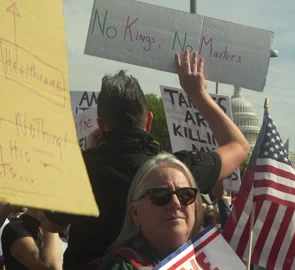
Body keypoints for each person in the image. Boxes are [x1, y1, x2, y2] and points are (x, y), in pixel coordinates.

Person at [40, 51, 249, 268]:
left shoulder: (77, 169)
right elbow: (239, 146)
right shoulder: (177, 174)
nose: (174, 201)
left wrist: (88, 158)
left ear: (101, 126)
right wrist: (197, 93)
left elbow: (50, 223)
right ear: (149, 121)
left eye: (183, 196)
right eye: (160, 197)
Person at [98, 152, 203, 268]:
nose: (176, 203)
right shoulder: (121, 265)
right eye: (161, 196)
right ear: (135, 213)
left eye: (185, 195)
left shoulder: (216, 252)